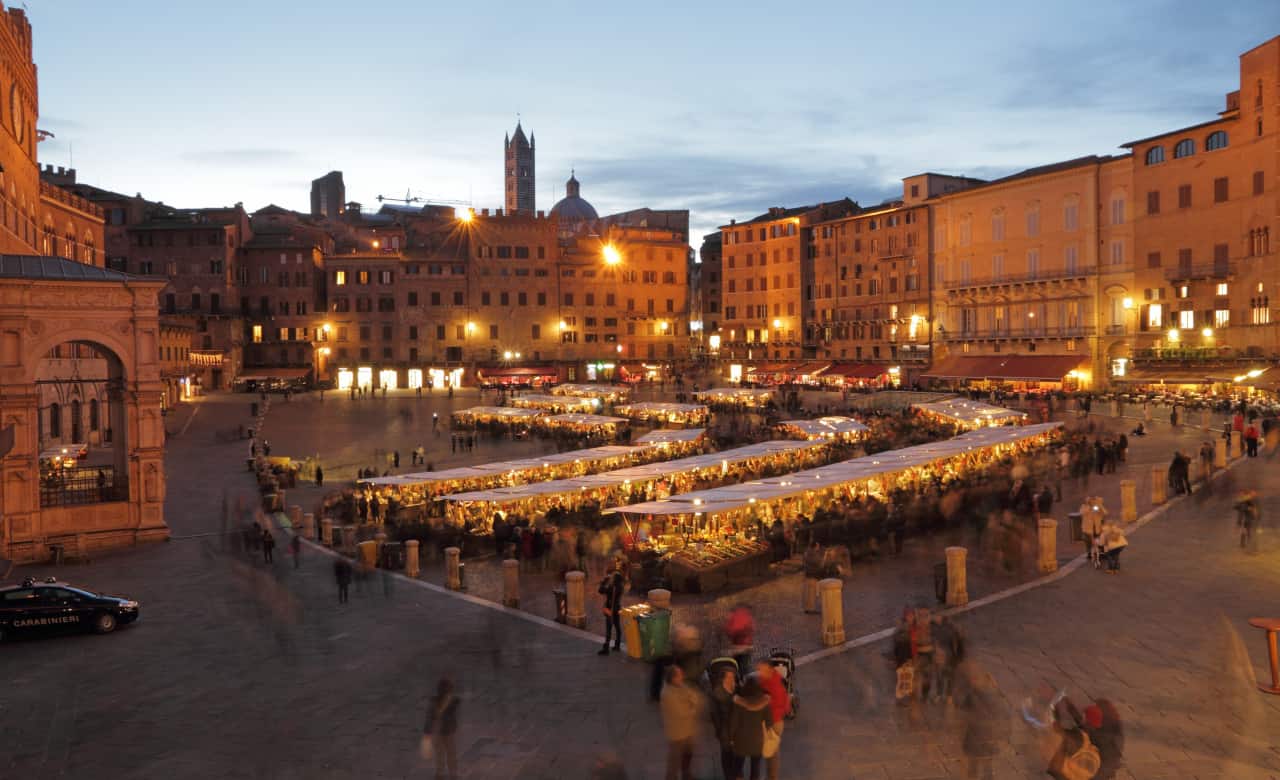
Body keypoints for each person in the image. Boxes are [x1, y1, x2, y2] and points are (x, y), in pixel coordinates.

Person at [660, 665, 705, 780]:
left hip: (688, 730)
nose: (682, 676)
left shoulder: (681, 685)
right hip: (677, 733)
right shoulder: (667, 694)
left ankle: (686, 775)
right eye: (679, 675)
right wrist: (693, 707)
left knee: (688, 755)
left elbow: (695, 697)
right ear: (673, 678)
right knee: (674, 761)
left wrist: (692, 703)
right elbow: (681, 712)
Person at [728, 676, 773, 780]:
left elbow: (733, 722)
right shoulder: (764, 702)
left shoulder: (739, 703)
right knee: (755, 768)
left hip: (741, 740)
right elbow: (769, 723)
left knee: (738, 766)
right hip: (757, 741)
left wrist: (730, 738)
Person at [752, 661, 790, 780]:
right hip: (771, 721)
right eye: (758, 669)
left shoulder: (775, 686)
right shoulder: (766, 679)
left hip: (774, 722)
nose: (759, 672)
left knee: (772, 753)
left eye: (761, 669)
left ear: (769, 669)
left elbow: (781, 707)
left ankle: (772, 777)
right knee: (770, 752)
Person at [423, 677, 459, 780]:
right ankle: (449, 773)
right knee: (448, 753)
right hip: (443, 731)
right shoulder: (449, 702)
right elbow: (430, 716)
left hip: (442, 731)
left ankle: (443, 773)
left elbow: (429, 717)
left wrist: (427, 730)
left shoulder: (448, 702)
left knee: (444, 753)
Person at [709, 666, 738, 780]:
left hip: (736, 729)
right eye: (729, 677)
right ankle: (728, 776)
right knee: (726, 754)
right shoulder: (717, 693)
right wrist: (719, 730)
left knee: (735, 754)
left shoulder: (737, 688)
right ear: (723, 678)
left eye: (733, 676)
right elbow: (714, 714)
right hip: (724, 729)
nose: (732, 679)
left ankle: (734, 774)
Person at [597, 562, 624, 655]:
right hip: (617, 607)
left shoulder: (612, 586)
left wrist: (604, 582)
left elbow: (600, 590)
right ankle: (617, 644)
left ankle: (606, 648)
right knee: (617, 626)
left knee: (609, 628)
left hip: (610, 608)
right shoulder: (620, 586)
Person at [724, 604, 755, 671]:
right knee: (744, 666)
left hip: (738, 647)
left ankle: (739, 677)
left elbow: (731, 631)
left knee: (737, 667)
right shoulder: (747, 616)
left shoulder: (735, 617)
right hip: (747, 646)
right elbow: (752, 629)